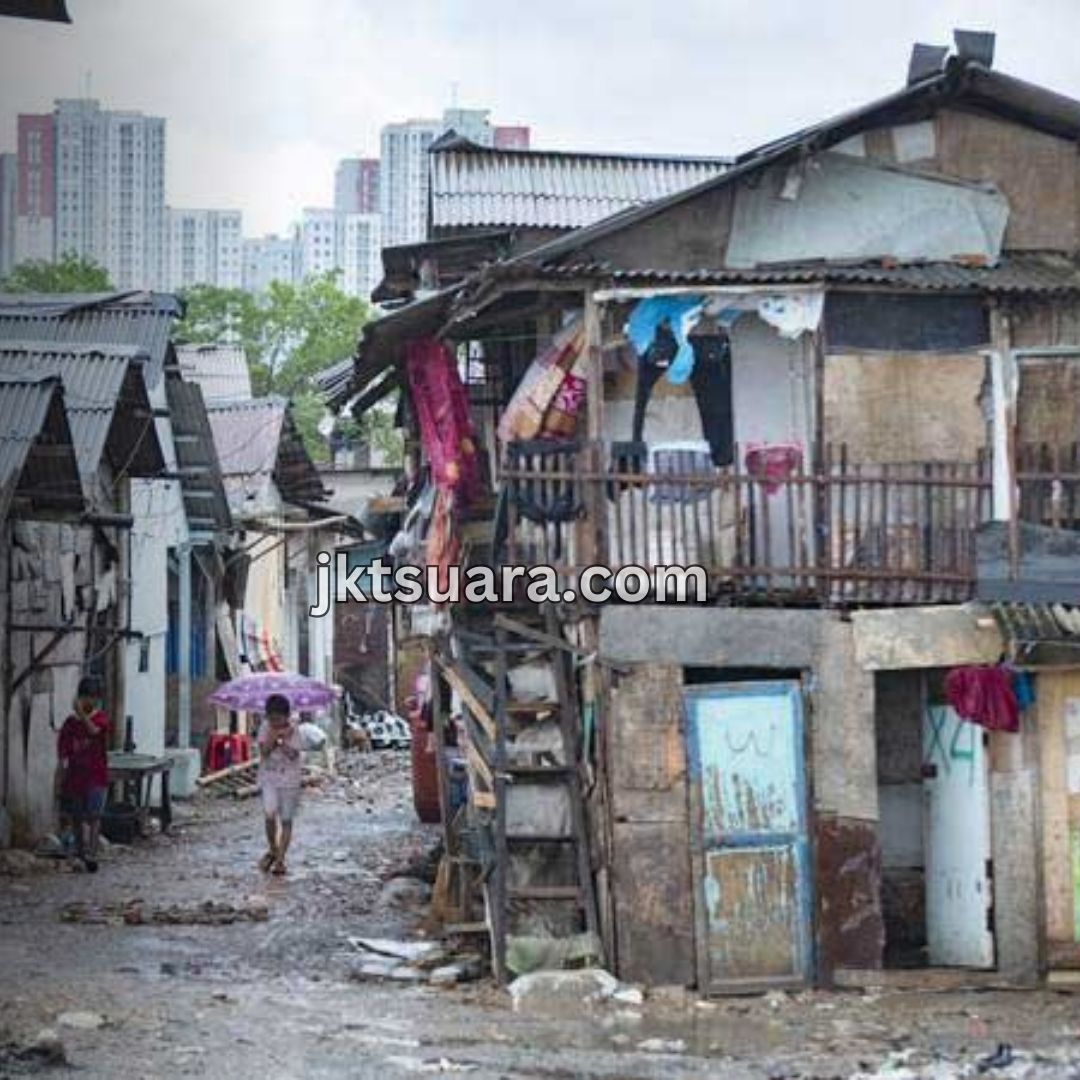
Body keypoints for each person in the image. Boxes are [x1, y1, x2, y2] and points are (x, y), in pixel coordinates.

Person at [56, 675, 110, 872]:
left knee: (94, 816)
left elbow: (95, 732)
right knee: (77, 817)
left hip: (96, 775)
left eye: (94, 697)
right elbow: (62, 753)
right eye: (88, 697)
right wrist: (60, 778)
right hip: (75, 777)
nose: (91, 701)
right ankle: (80, 853)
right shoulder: (70, 724)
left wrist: (83, 715)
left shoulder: (101, 718)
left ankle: (92, 854)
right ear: (80, 697)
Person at [257, 693, 302, 875]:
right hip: (269, 779)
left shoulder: (295, 730)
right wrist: (274, 737)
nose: (274, 722)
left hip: (290, 780)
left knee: (286, 820)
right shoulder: (264, 728)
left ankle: (280, 859)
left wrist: (283, 741)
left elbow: (294, 754)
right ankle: (273, 849)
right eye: (271, 718)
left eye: (278, 718)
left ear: (286, 716)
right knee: (269, 815)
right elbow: (264, 751)